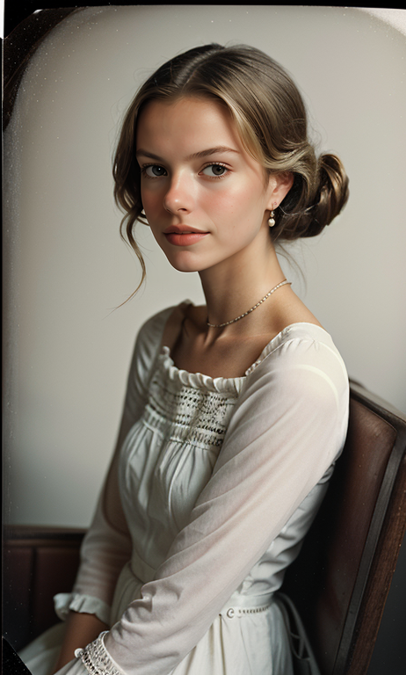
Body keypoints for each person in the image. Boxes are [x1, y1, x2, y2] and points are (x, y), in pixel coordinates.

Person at [21, 43, 350, 675]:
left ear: (277, 182)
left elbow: (175, 616)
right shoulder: (161, 336)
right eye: (154, 168)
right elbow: (110, 537)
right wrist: (70, 656)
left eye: (214, 169)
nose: (174, 198)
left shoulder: (298, 378)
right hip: (105, 638)